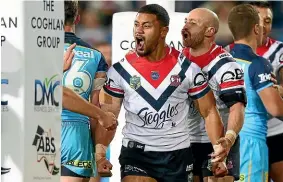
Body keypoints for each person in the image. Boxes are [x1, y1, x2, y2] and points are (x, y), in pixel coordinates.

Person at [101, 4, 227, 182]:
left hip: (178, 155)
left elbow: (209, 112)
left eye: (146, 26)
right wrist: (100, 152)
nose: (139, 31)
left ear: (163, 31)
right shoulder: (120, 71)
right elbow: (108, 114)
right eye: (136, 25)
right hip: (137, 154)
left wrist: (218, 151)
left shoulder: (188, 70)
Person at [181, 8, 246, 182]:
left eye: (193, 23)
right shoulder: (176, 62)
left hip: (217, 143)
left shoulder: (226, 66)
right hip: (182, 142)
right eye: (186, 21)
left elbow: (237, 107)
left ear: (210, 31)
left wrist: (229, 139)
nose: (185, 27)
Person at [227, 4, 283, 181]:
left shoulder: (221, 57)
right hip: (251, 143)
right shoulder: (259, 63)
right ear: (256, 28)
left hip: (227, 140)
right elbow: (277, 110)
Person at [61, 1, 115, 181]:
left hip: (37, 128)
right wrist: (98, 155)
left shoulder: (35, 50)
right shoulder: (97, 56)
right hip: (76, 137)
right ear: (77, 17)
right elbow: (97, 105)